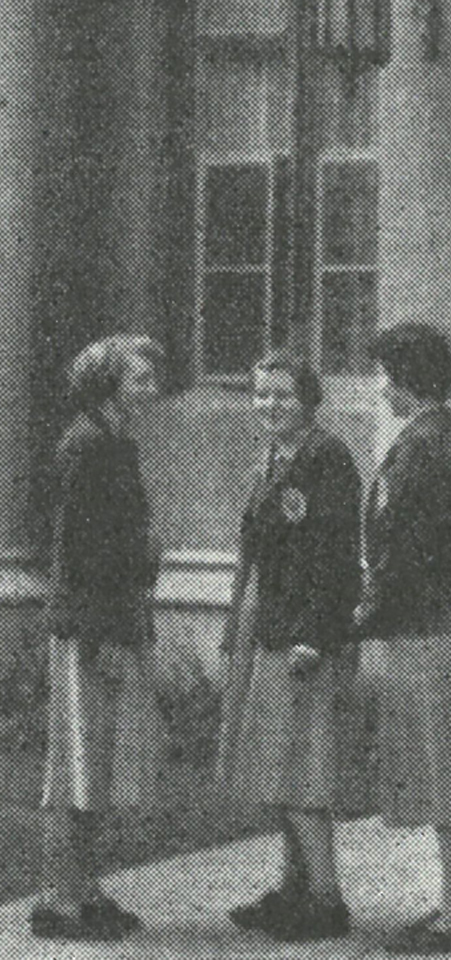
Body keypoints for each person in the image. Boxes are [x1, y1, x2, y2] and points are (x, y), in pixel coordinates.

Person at [354, 323, 451, 956]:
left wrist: (365, 615)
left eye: (386, 373)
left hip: (433, 633)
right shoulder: (448, 442)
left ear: (408, 378)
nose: (380, 386)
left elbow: (404, 552)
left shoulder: (424, 449)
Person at [218, 351, 362, 941]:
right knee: (280, 766)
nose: (270, 405)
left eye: (282, 395)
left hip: (304, 636)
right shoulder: (274, 459)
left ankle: (327, 899)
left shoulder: (326, 458)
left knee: (302, 770)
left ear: (309, 399)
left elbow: (334, 557)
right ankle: (292, 888)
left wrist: (314, 635)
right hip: (270, 625)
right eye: (261, 395)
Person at [33, 336, 165, 942]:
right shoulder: (88, 447)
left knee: (99, 766)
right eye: (139, 378)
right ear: (108, 382)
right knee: (78, 768)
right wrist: (99, 639)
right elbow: (77, 555)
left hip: (114, 623)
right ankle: (62, 901)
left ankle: (85, 890)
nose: (151, 387)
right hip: (91, 632)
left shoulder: (116, 443)